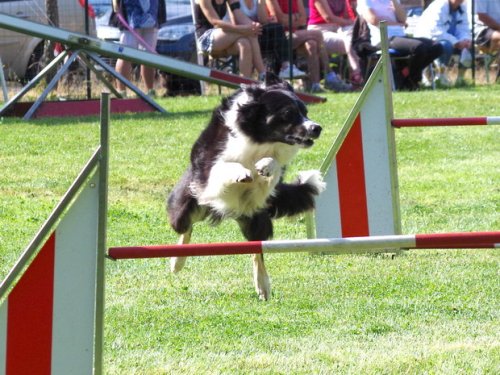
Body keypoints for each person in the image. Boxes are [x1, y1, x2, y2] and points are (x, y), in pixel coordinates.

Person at [266, 0, 352, 92]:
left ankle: (315, 86)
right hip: (278, 37)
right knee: (318, 34)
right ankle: (330, 76)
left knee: (312, 44)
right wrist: (295, 17)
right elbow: (280, 20)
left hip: (294, 34)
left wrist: (290, 19)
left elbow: (303, 20)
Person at [356, 0, 443, 90]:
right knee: (419, 47)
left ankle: (404, 75)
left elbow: (403, 19)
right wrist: (398, 24)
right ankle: (411, 81)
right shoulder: (365, 1)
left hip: (400, 36)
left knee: (437, 47)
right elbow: (374, 20)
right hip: (383, 38)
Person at [231, 0, 307, 78]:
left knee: (277, 27)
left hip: (257, 32)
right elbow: (237, 20)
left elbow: (263, 19)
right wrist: (253, 25)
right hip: (243, 32)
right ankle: (263, 74)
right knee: (255, 34)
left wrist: (267, 17)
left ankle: (286, 67)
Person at [194, 0, 267, 80]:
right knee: (248, 32)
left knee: (244, 43)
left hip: (222, 36)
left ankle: (245, 84)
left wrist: (252, 25)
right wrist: (245, 28)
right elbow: (215, 22)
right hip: (205, 39)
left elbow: (238, 14)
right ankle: (264, 75)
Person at [113, 0, 166, 97]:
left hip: (152, 9)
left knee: (149, 53)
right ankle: (121, 92)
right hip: (130, 11)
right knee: (126, 52)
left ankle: (150, 91)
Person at [414, 0, 472, 87]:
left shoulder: (462, 7)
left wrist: (465, 40)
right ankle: (439, 76)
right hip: (428, 39)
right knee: (445, 46)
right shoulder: (439, 6)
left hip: (450, 39)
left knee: (470, 46)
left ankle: (460, 79)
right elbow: (435, 31)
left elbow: (464, 28)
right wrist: (456, 42)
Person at [308, 0, 365, 86]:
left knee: (358, 37)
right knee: (350, 42)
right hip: (319, 32)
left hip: (339, 28)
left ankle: (358, 76)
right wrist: (350, 22)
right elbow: (328, 18)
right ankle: (356, 75)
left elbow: (346, 16)